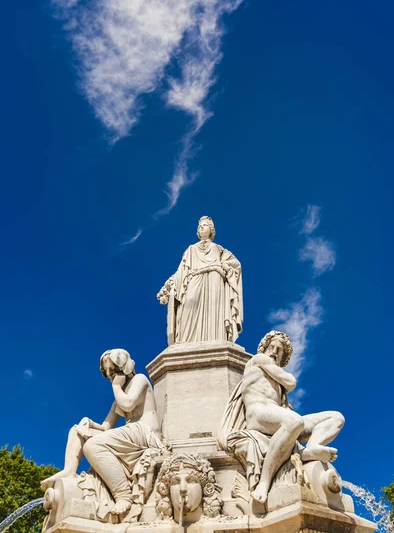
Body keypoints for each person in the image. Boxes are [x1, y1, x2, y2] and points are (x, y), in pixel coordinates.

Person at [219, 331, 345, 505]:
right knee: (295, 421)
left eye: (279, 351)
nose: (274, 352)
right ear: (265, 347)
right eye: (272, 347)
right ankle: (264, 482)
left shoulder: (274, 377)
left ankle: (311, 448)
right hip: (258, 414)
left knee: (336, 418)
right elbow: (291, 382)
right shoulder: (259, 360)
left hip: (278, 417)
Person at [42, 349, 164, 516]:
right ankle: (69, 469)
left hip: (145, 433)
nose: (109, 376)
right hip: (130, 433)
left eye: (112, 370)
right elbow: (106, 427)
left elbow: (128, 404)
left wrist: (116, 386)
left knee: (93, 446)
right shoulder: (119, 394)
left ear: (125, 367)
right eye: (106, 372)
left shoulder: (139, 379)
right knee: (77, 430)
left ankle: (124, 495)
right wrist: (89, 424)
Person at [157, 216, 243, 344]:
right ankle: (186, 342)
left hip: (215, 278)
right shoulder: (191, 249)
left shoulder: (218, 249)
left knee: (214, 308)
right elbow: (181, 271)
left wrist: (225, 266)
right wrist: (169, 285)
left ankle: (216, 339)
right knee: (189, 302)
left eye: (205, 225)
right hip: (195, 277)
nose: (202, 227)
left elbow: (236, 264)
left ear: (211, 229)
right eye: (200, 226)